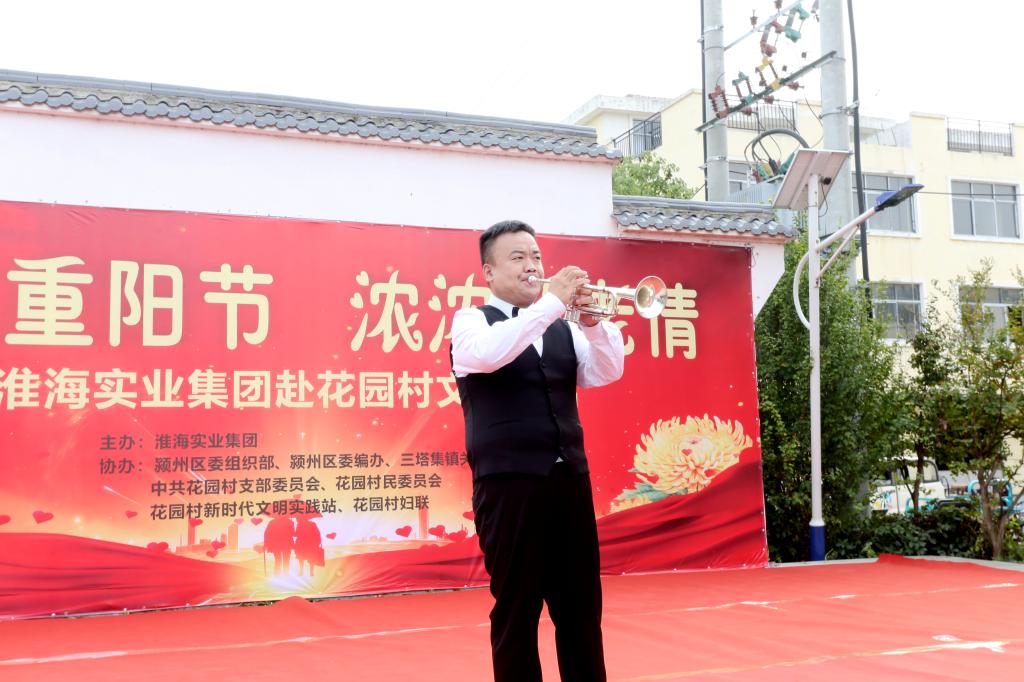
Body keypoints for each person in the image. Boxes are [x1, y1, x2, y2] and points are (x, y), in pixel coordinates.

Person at [450, 219, 625, 682]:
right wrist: (552, 304)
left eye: (536, 257)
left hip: (569, 482)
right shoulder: (471, 322)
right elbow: (490, 355)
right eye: (518, 257)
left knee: (581, 609)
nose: (532, 266)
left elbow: (607, 371)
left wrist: (593, 324)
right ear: (489, 272)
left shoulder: (563, 328)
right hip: (509, 487)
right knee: (517, 609)